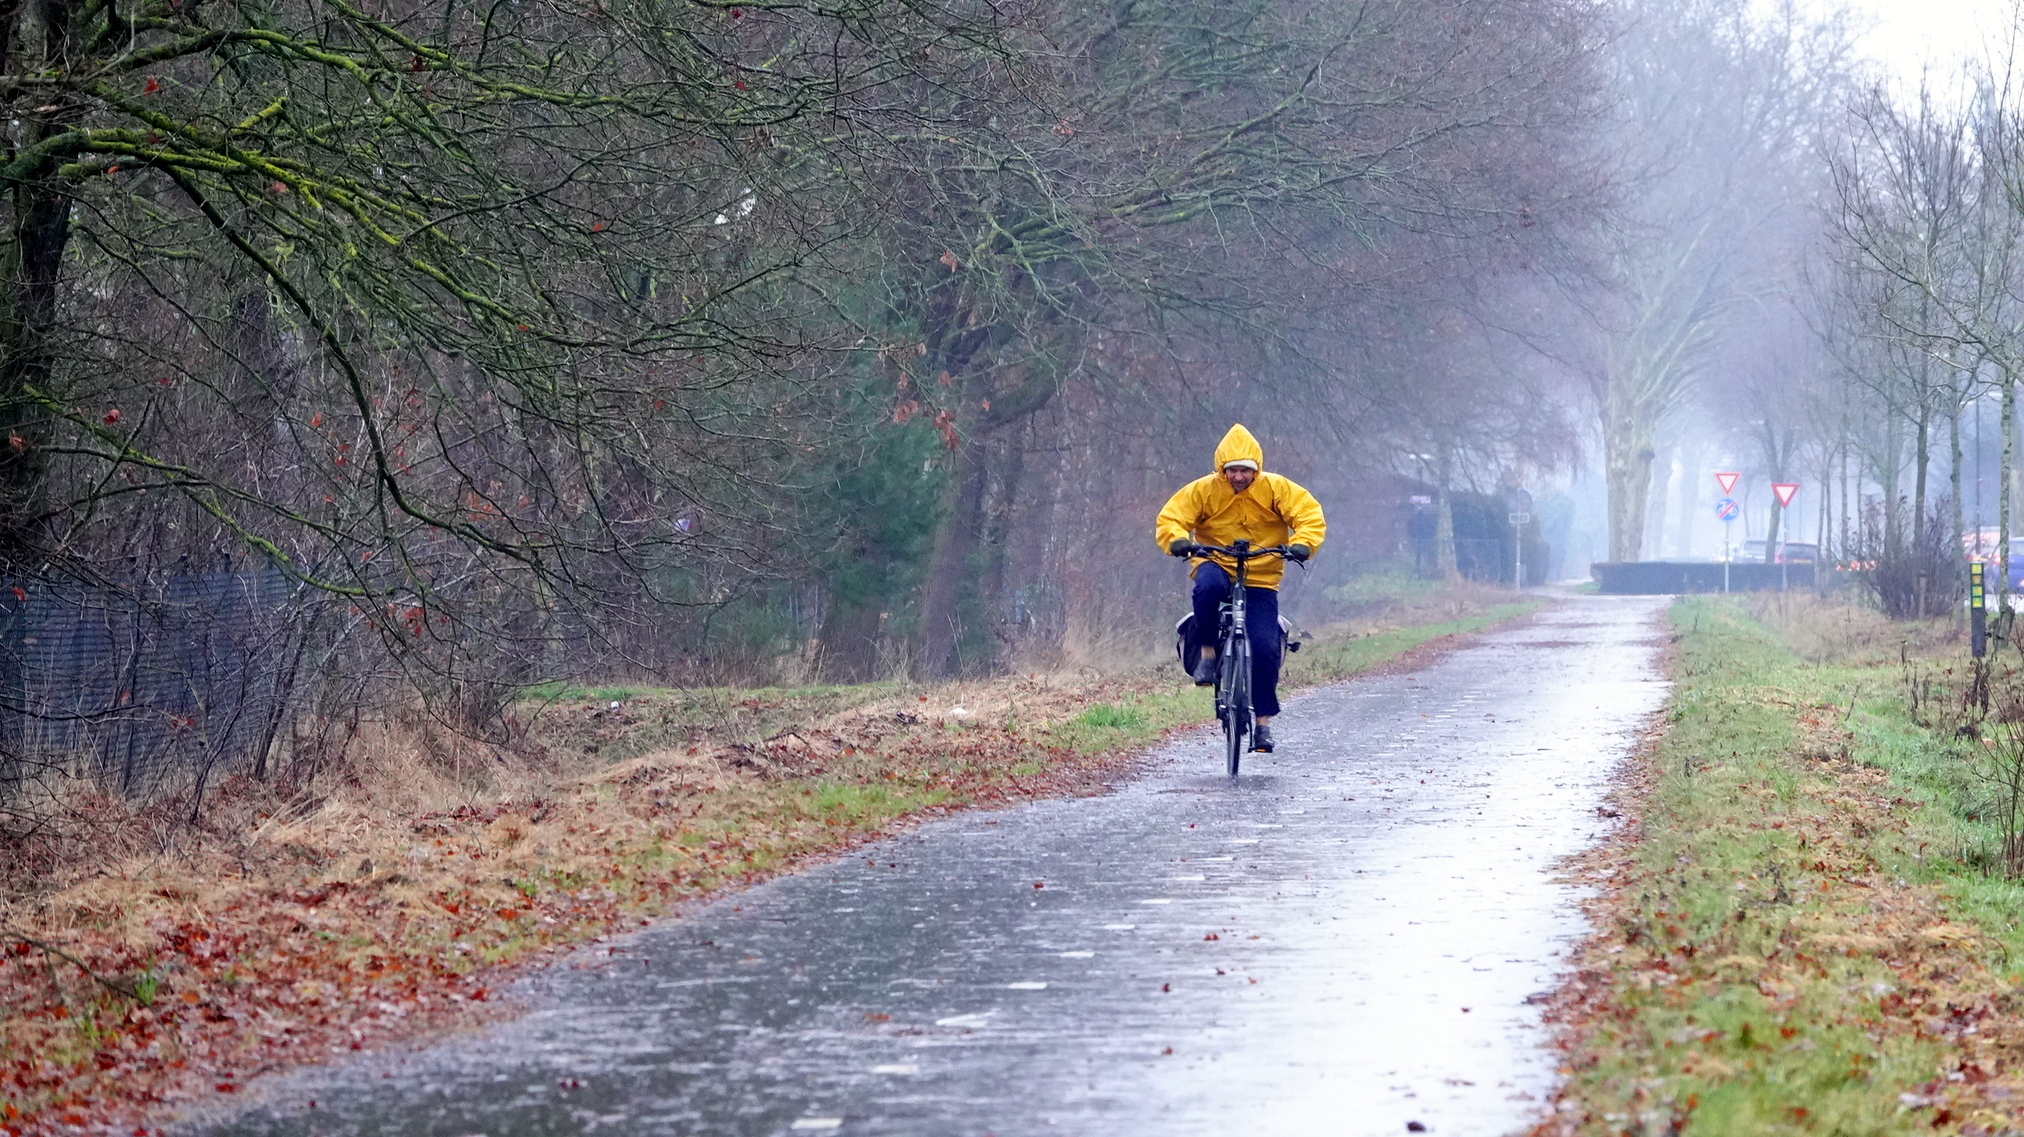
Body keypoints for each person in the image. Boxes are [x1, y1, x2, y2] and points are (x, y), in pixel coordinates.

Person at [1154, 424, 1326, 754]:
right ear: (1222, 469)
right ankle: (1206, 653)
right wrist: (1178, 541)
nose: (1238, 477)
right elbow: (1172, 517)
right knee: (1206, 588)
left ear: (1256, 470)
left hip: (1261, 574)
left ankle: (1263, 724)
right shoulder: (1203, 490)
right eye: (1232, 470)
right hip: (1215, 561)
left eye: (1245, 471)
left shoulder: (1277, 489)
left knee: (1264, 647)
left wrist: (1302, 544)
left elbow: (1308, 515)